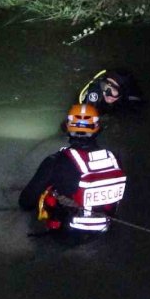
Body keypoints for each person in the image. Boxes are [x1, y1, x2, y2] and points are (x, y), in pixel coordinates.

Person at [19, 103, 127, 241]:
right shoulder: (114, 158)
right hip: (106, 228)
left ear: (68, 128)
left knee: (47, 194)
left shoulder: (55, 161)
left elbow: (25, 202)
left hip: (66, 234)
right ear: (97, 129)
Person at [77, 68, 144, 111]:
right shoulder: (94, 93)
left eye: (114, 90)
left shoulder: (129, 102)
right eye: (105, 87)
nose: (106, 93)